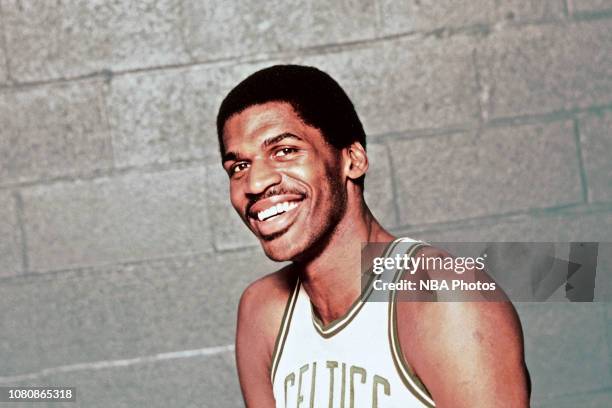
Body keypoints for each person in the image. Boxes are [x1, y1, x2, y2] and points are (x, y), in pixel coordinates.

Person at [216, 65, 530, 407]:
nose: (256, 183)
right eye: (239, 167)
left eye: (286, 151)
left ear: (353, 159)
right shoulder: (262, 311)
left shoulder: (444, 298)